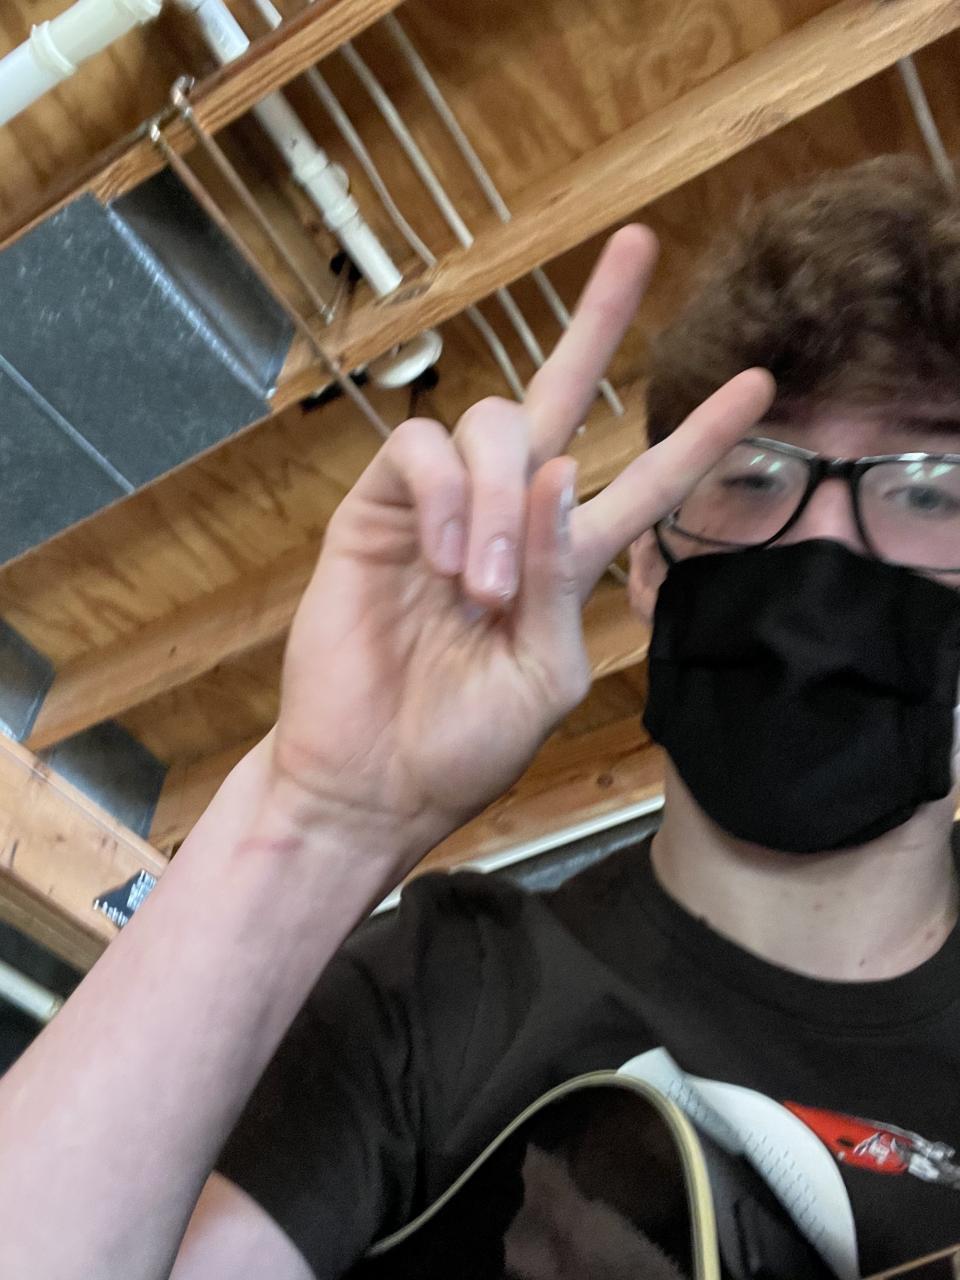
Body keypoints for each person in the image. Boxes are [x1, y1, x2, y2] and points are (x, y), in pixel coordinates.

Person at [1, 153, 959, 1280]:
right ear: (650, 564)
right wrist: (314, 818)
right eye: (752, 475)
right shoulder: (436, 990)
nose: (827, 543)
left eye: (928, 489)